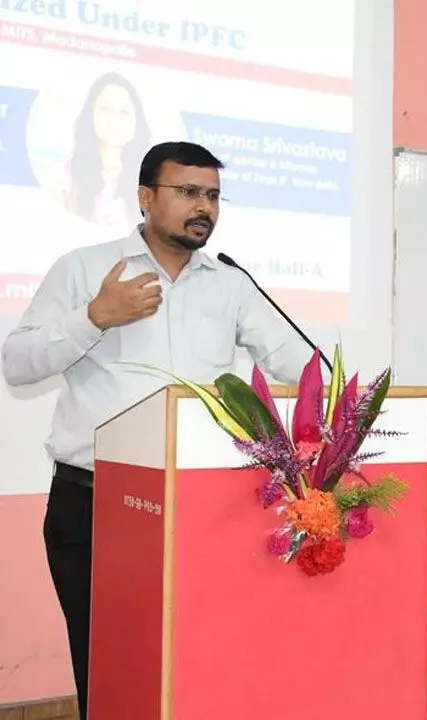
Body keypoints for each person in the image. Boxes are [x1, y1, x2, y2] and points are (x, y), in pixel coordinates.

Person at [1, 141, 315, 720]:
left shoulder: (231, 284)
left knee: (202, 657)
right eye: (189, 192)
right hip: (96, 504)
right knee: (107, 661)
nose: (205, 207)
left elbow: (298, 363)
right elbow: (16, 364)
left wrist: (341, 397)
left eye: (214, 195)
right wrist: (92, 318)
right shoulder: (85, 269)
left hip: (205, 504)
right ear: (146, 197)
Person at [65, 72, 151, 228]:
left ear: (136, 123)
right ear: (90, 115)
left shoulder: (150, 180)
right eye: (104, 108)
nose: (114, 119)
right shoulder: (68, 174)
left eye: (124, 111)